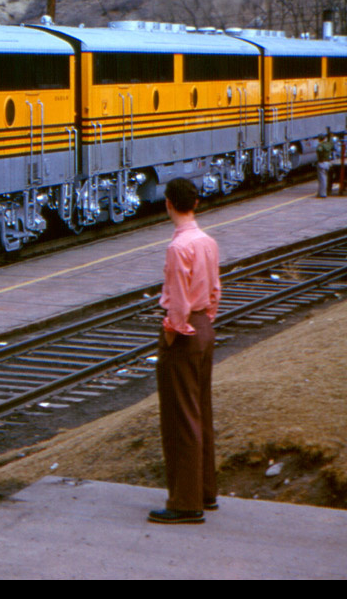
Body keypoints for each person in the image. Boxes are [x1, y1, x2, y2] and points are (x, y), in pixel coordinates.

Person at [150, 177, 220, 525]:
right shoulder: (207, 241)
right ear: (195, 204)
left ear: (168, 204)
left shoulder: (178, 248)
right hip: (205, 327)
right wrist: (204, 318)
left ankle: (185, 502)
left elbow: (177, 301)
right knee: (201, 410)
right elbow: (216, 289)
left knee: (181, 418)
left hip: (184, 333)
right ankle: (206, 491)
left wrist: (173, 332)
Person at [315, 130, 335, 198]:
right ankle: (320, 193)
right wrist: (331, 136)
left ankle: (322, 194)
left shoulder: (320, 145)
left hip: (321, 163)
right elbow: (332, 143)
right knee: (325, 179)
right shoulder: (328, 144)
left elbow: (319, 150)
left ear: (319, 139)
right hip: (328, 163)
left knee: (322, 180)